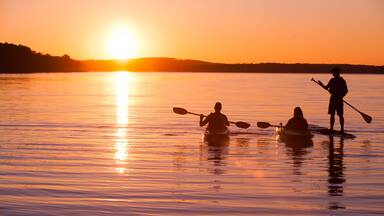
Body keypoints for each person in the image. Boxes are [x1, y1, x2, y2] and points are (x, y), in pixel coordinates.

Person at [318, 67, 348, 133]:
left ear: (337, 72)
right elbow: (326, 87)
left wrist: (341, 96)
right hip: (334, 99)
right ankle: (333, 128)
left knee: (340, 115)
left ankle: (341, 129)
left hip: (337, 99)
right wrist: (321, 84)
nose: (332, 73)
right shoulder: (332, 80)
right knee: (333, 114)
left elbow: (346, 91)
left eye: (333, 72)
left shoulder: (342, 81)